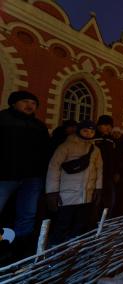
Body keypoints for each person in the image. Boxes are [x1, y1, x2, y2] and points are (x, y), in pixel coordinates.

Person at [0, 91, 50, 256]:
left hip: (32, 177)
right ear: (13, 103)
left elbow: (45, 152)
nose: (30, 105)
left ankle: (19, 249)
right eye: (25, 102)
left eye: (33, 103)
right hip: (5, 175)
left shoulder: (39, 126)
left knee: (27, 214)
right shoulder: (3, 119)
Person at [46, 120, 102, 245]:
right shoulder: (66, 146)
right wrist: (52, 192)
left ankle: (73, 248)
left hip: (86, 195)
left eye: (92, 131)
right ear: (79, 130)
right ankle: (54, 250)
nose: (88, 134)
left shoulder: (95, 149)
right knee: (63, 223)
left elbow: (99, 169)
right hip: (68, 194)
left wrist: (98, 188)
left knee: (80, 224)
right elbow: (54, 167)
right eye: (85, 130)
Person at [94, 115, 117, 215]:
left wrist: (115, 172)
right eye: (105, 125)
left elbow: (114, 157)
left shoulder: (111, 140)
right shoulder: (93, 137)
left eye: (110, 126)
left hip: (108, 175)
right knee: (96, 200)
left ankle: (106, 221)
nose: (108, 128)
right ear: (99, 125)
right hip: (95, 176)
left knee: (109, 201)